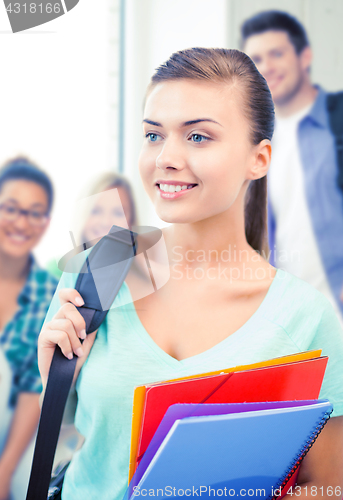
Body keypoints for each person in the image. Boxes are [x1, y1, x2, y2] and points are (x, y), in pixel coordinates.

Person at [39, 48, 343, 500]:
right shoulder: (95, 271)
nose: (166, 158)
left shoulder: (306, 317)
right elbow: (84, 437)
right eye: (153, 135)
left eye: (198, 137)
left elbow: (327, 486)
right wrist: (57, 375)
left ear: (258, 159)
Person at [240, 10, 343, 326]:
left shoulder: (337, 119)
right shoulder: (249, 141)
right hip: (286, 320)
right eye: (256, 57)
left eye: (277, 53)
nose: (267, 66)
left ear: (305, 56)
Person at [0, 157, 58, 500]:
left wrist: (4, 472)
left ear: (47, 221)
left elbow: (31, 389)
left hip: (12, 431)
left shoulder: (47, 292)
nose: (22, 222)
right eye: (11, 208)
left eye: (35, 212)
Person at [46, 171, 137, 280]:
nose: (105, 222)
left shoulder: (144, 279)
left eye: (118, 213)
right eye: (96, 211)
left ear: (131, 221)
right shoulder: (56, 273)